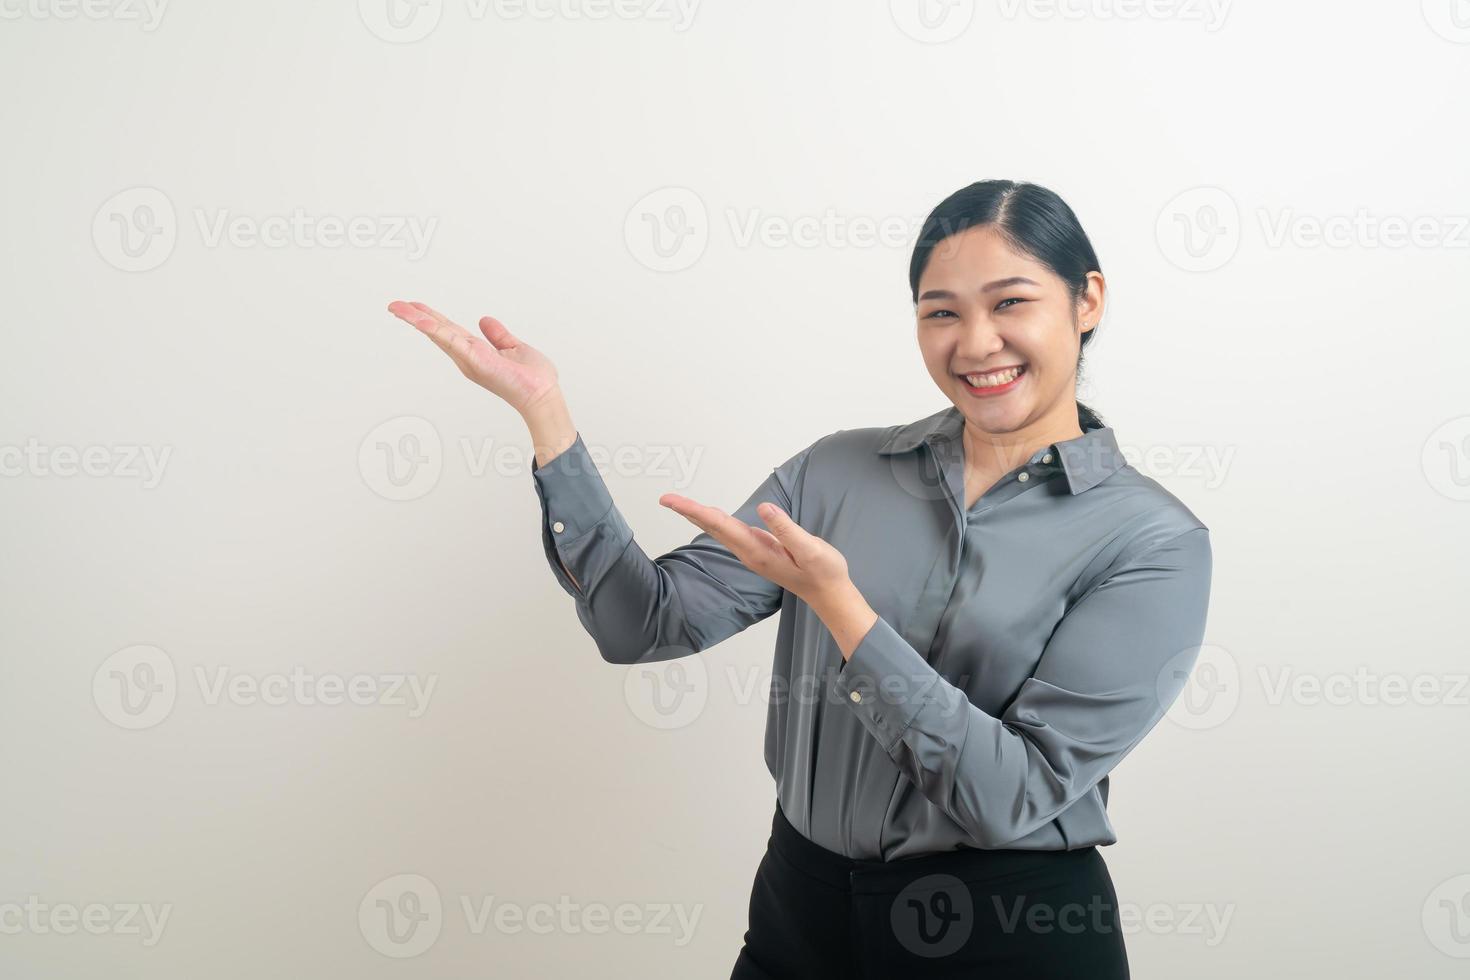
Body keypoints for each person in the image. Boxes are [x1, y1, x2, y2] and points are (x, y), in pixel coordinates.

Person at [386, 179, 1213, 978]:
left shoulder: (1153, 543)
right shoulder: (838, 470)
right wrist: (546, 418)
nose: (975, 342)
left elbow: (1009, 794)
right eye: (941, 312)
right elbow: (642, 625)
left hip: (1008, 929)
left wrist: (838, 605)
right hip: (800, 910)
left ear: (1087, 300)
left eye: (1010, 302)